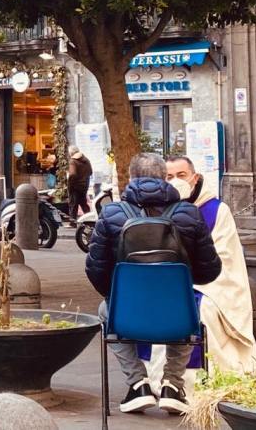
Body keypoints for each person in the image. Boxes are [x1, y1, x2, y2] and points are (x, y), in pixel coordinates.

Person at [86, 153, 221, 415]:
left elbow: (96, 269)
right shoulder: (189, 214)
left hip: (127, 314)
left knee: (105, 311)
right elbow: (210, 270)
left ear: (131, 178)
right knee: (188, 308)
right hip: (177, 315)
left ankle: (138, 383)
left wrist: (114, 296)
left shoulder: (111, 213)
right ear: (164, 178)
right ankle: (173, 384)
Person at [165, 156, 256, 374]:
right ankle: (160, 377)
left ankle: (197, 376)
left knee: (201, 310)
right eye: (169, 177)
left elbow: (225, 257)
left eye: (181, 176)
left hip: (209, 285)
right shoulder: (159, 209)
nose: (175, 181)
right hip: (168, 283)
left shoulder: (216, 211)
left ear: (195, 178)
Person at [67, 145, 92, 225]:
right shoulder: (86, 160)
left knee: (73, 204)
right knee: (83, 203)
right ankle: (90, 220)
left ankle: (72, 223)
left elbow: (72, 174)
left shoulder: (73, 161)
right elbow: (90, 172)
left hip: (75, 186)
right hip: (84, 186)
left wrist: (70, 183)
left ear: (71, 153)